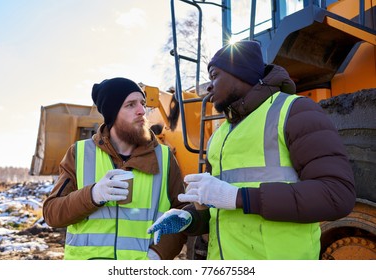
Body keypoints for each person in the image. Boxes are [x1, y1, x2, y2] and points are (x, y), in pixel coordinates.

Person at [147, 40, 356, 260]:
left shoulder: (295, 111)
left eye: (215, 76)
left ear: (242, 74)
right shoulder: (219, 136)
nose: (209, 87)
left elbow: (336, 195)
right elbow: (218, 208)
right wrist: (190, 218)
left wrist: (239, 197)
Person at [43, 77, 187, 260]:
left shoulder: (165, 158)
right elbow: (52, 214)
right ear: (112, 113)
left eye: (142, 104)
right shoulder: (79, 153)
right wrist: (93, 195)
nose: (142, 111)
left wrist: (157, 255)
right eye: (130, 105)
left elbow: (182, 215)